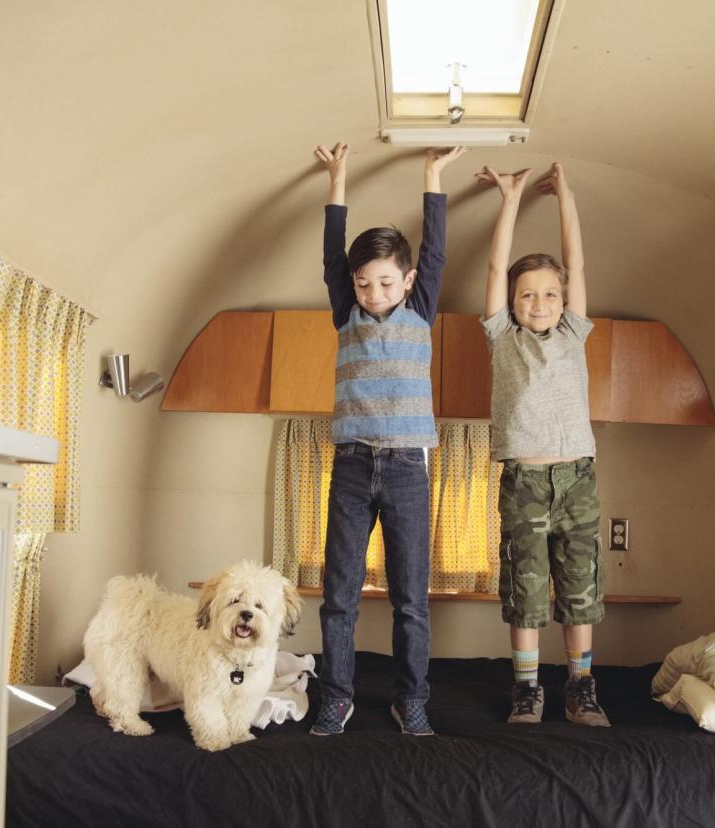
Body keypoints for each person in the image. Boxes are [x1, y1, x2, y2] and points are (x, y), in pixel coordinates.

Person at [309, 141, 465, 737]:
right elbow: (330, 253)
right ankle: (337, 698)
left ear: (405, 281)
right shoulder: (346, 313)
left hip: (406, 468)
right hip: (351, 465)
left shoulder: (420, 310)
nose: (373, 293)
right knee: (339, 596)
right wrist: (337, 178)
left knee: (410, 600)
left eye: (384, 282)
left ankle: (412, 700)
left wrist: (432, 174)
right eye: (363, 283)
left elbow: (438, 249)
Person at [476, 162, 609, 726]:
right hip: (524, 482)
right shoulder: (502, 336)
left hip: (576, 478)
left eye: (550, 293)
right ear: (512, 300)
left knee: (580, 591)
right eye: (527, 294)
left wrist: (566, 198)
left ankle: (581, 685)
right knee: (527, 591)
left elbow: (576, 261)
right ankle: (527, 689)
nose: (540, 302)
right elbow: (493, 263)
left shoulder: (574, 330)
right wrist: (510, 198)